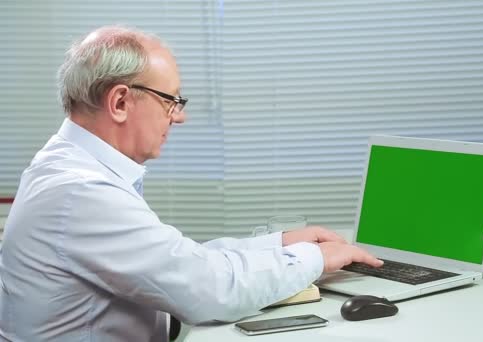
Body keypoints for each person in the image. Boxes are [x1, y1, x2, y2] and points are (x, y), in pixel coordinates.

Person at [0, 26, 383, 342]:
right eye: (171, 101)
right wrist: (317, 258)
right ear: (119, 102)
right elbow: (209, 290)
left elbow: (177, 262)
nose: (178, 118)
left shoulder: (70, 167)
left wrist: (277, 243)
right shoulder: (81, 191)